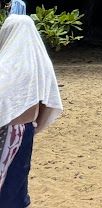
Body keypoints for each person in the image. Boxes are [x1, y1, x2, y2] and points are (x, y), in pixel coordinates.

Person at [0, 13, 63, 208]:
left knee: (7, 183)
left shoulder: (7, 65)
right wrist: (34, 127)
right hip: (26, 130)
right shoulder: (39, 64)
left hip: (7, 131)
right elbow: (49, 100)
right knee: (17, 180)